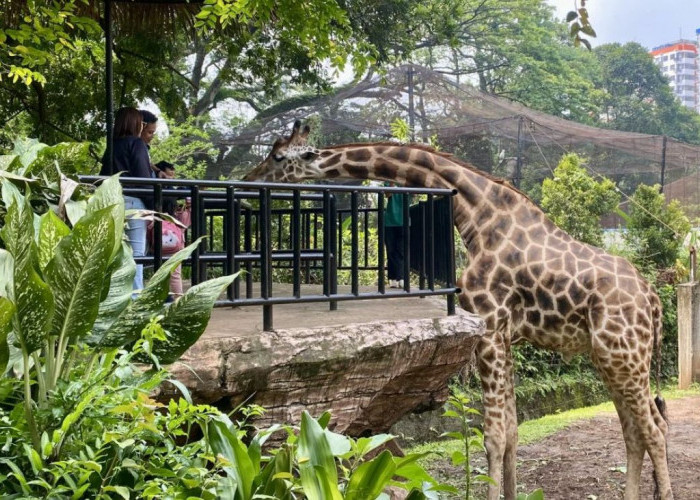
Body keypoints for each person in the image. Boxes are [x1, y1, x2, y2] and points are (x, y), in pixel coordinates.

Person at [100, 106, 154, 293]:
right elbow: (143, 180)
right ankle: (134, 300)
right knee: (136, 255)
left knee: (115, 254)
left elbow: (103, 177)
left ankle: (115, 299)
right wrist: (155, 207)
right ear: (135, 123)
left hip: (111, 203)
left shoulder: (112, 145)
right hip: (133, 203)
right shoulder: (136, 144)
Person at [154, 161, 191, 299]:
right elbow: (185, 223)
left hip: (156, 237)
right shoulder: (172, 192)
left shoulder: (153, 188)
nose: (173, 174)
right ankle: (178, 300)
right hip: (174, 238)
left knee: (158, 269)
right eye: (171, 171)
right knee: (175, 273)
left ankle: (161, 297)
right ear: (163, 172)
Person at [383, 182, 408, 288]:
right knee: (391, 251)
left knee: (401, 251)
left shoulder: (406, 181)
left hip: (404, 221)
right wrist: (391, 182)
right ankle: (392, 278)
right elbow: (387, 194)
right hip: (389, 221)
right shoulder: (387, 181)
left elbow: (415, 193)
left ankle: (401, 277)